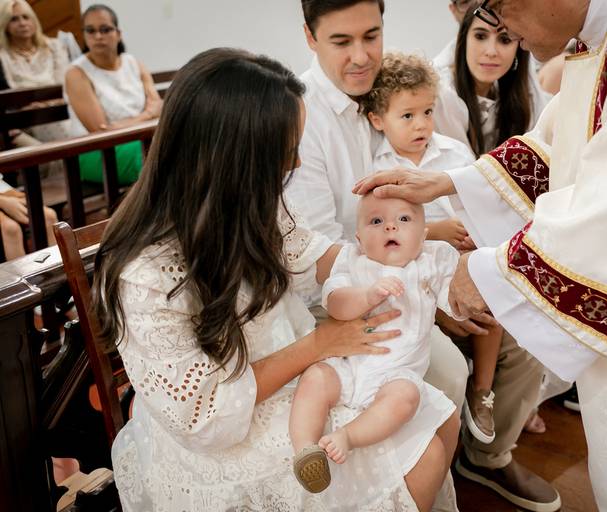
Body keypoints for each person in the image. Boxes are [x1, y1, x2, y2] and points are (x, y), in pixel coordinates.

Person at [353, 0, 607, 510]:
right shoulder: (606, 35)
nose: (501, 27)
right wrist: (452, 181)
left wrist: (483, 275)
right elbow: (567, 150)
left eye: (497, 7)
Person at [95, 47, 458, 512]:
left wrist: (405, 259)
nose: (296, 165)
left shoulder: (249, 206)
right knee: (423, 452)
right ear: (234, 161)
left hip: (290, 368)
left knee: (439, 414)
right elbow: (203, 416)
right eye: (286, 154)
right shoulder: (145, 275)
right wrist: (321, 344)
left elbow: (313, 255)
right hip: (228, 426)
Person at [361, 52, 503, 443]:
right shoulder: (377, 166)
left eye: (427, 111)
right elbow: (381, 232)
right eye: (407, 116)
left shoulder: (454, 153)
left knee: (492, 287)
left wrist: (474, 234)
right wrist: (435, 232)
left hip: (462, 254)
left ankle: (482, 392)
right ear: (378, 120)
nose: (422, 124)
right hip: (413, 266)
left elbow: (480, 202)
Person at [290, 194, 461, 511]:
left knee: (405, 399)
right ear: (358, 238)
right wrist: (367, 296)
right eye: (376, 221)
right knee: (314, 378)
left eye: (404, 219)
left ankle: (348, 437)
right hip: (346, 364)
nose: (390, 227)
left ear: (423, 234)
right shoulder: (352, 260)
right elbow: (336, 305)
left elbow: (456, 302)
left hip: (396, 374)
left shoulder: (430, 263)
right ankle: (305, 451)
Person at [432, 7, 551, 156]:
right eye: (480, 36)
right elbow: (461, 165)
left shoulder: (519, 96)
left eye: (505, 39)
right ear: (463, 40)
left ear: (518, 48)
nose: (491, 52)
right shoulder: (444, 94)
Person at [64, 4, 161, 185]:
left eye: (105, 29)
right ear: (84, 35)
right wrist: (147, 116)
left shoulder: (134, 63)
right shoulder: (76, 73)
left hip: (140, 140)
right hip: (95, 151)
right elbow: (101, 131)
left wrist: (135, 120)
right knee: (157, 153)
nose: (98, 36)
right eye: (90, 31)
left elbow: (157, 107)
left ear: (118, 33)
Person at [0, 0, 71, 145]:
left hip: (60, 111)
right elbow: (9, 97)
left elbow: (65, 85)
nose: (22, 23)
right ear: (4, 25)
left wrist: (46, 104)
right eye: (14, 19)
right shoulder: (2, 56)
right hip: (23, 121)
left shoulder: (55, 47)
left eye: (26, 17)